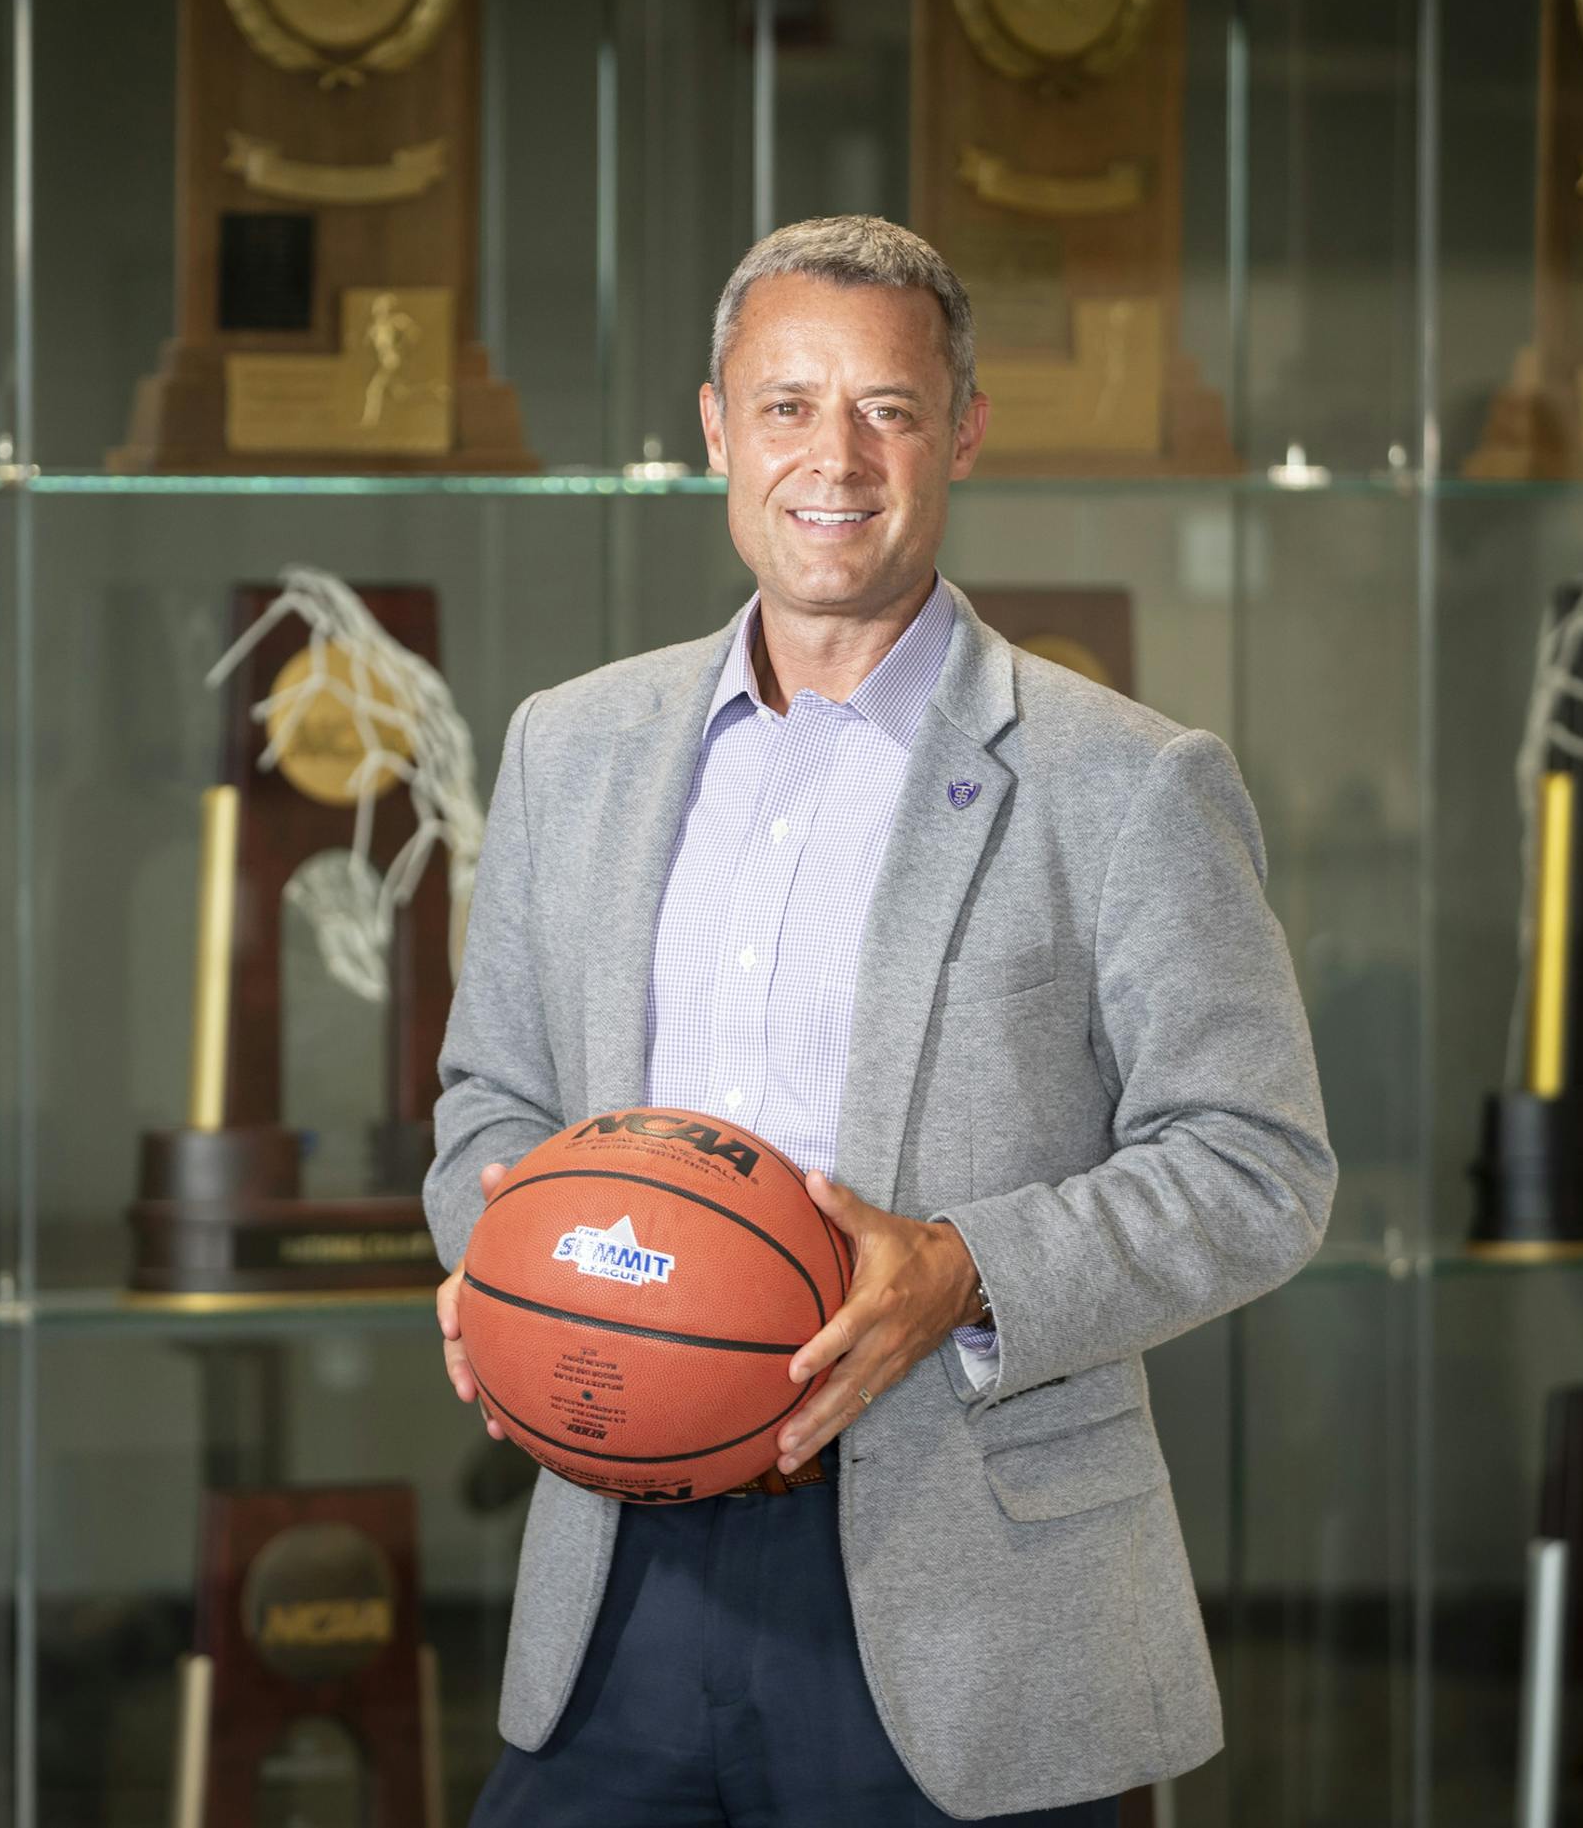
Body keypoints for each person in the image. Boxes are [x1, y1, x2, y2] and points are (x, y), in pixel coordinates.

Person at [425, 214, 1336, 1826]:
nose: (832, 457)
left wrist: (965, 1271)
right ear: (716, 427)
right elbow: (492, 1101)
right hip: (618, 1579)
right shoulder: (574, 749)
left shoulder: (1126, 779)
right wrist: (508, 1267)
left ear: (962, 431)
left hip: (974, 1613)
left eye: (889, 409)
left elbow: (1260, 1163)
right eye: (785, 404)